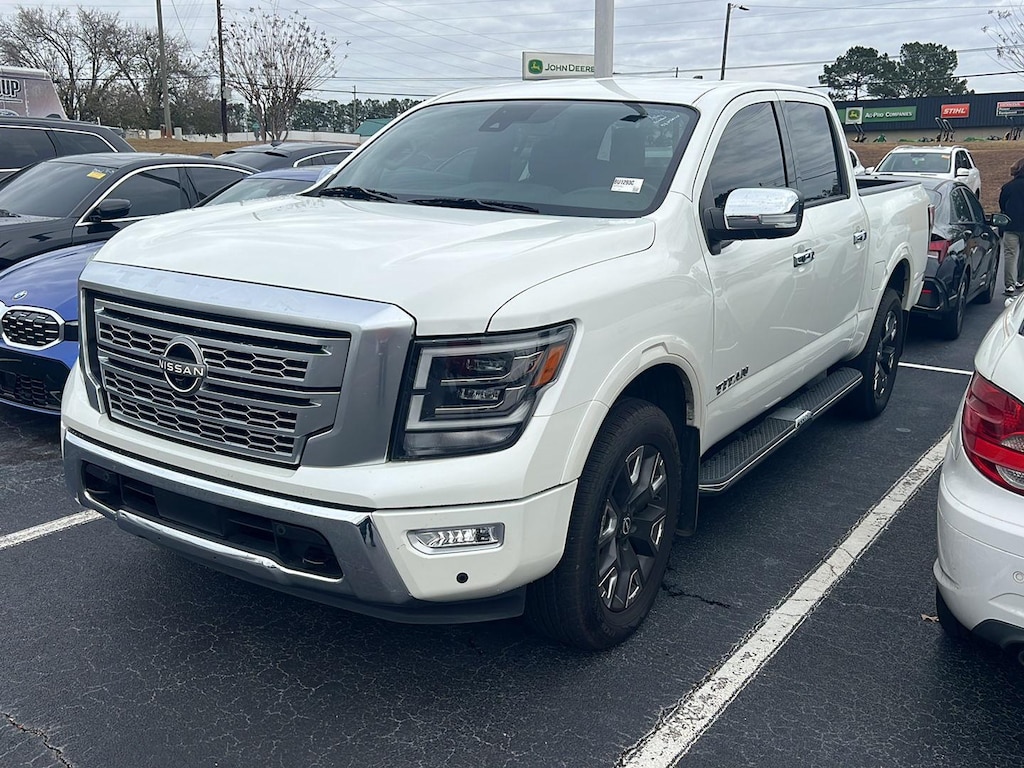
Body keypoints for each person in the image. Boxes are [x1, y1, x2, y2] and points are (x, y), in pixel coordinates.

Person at [998, 157, 1024, 295]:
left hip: (1011, 225)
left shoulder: (1008, 187)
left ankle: (1010, 285)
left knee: (1010, 255)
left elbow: (1002, 204)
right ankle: (1021, 279)